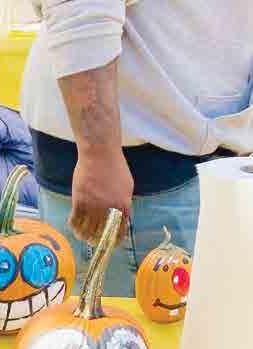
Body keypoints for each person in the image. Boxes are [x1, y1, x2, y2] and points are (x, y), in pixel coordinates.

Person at [20, 1, 253, 296]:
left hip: (194, 157)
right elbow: (81, 7)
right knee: (127, 323)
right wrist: (99, 156)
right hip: (137, 169)